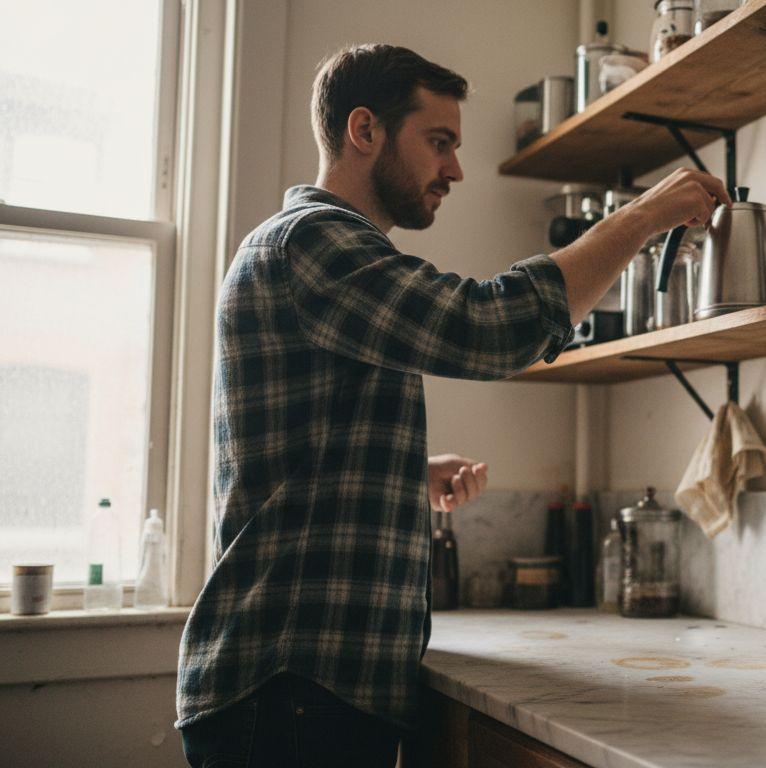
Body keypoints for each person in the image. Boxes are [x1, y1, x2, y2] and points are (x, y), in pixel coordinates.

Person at [175, 43, 728, 767]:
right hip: (293, 686)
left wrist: (403, 471)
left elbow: (289, 459)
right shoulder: (314, 241)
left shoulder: (316, 249)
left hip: (303, 686)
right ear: (364, 131)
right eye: (439, 143)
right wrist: (642, 217)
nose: (456, 170)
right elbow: (486, 328)